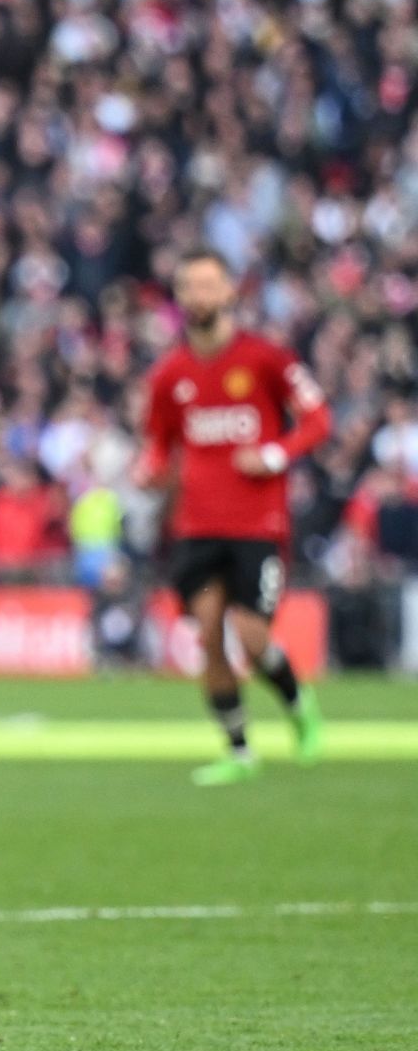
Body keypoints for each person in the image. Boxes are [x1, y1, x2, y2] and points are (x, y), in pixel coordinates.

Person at [138, 249, 332, 786]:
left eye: (208, 285)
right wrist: (149, 469)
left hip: (257, 525)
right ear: (179, 298)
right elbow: (160, 444)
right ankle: (240, 750)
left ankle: (298, 707)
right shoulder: (169, 374)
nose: (199, 295)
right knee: (207, 637)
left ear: (229, 293)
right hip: (197, 525)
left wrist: (273, 456)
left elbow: (318, 419)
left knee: (250, 636)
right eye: (189, 286)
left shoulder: (267, 358)